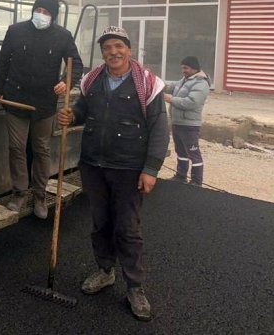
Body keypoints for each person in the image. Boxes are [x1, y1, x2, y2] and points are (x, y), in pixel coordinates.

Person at [57, 26, 168, 322]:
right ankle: (105, 271)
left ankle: (134, 286)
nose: (113, 52)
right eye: (107, 48)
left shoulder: (148, 84)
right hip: (94, 165)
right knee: (101, 223)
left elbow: (159, 128)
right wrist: (72, 115)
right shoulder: (92, 80)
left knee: (127, 228)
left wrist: (151, 168)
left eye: (118, 46)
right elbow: (82, 110)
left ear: (129, 49)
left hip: (128, 168)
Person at [0, 0, 83, 219]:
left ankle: (40, 195)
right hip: (16, 99)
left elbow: (76, 64)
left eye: (46, 12)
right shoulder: (16, 31)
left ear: (53, 16)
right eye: (39, 10)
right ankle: (19, 193)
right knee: (16, 148)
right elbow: (2, 61)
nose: (41, 15)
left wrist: (66, 81)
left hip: (44, 103)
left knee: (42, 149)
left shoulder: (62, 36)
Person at [164, 56, 211, 185]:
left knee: (193, 153)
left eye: (186, 68)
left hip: (189, 125)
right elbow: (171, 87)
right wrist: (157, 84)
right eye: (182, 68)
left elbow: (191, 102)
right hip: (178, 123)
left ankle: (196, 181)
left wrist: (171, 99)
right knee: (181, 151)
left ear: (194, 68)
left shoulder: (201, 83)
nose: (183, 70)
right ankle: (181, 176)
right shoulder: (184, 80)